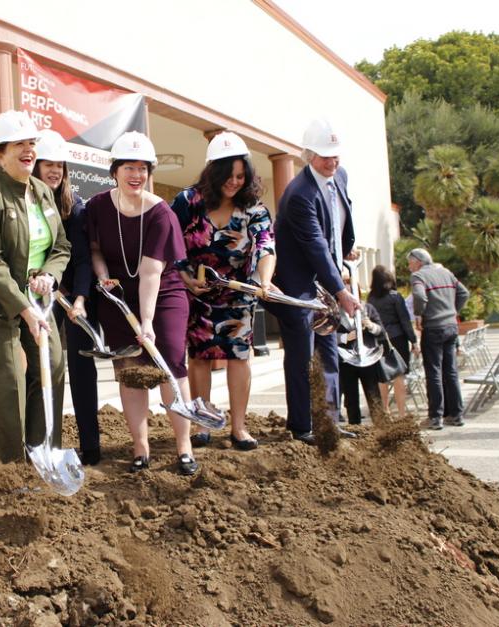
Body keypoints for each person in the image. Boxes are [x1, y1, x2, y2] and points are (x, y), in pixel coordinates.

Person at [0, 111, 71, 463]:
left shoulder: (42, 192)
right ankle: (13, 465)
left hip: (36, 296)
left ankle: (42, 451)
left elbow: (60, 247)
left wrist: (49, 276)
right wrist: (24, 311)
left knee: (52, 366)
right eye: (19, 144)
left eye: (31, 143)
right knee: (11, 380)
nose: (28, 150)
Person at [86, 131, 198, 475]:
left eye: (142, 168)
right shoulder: (97, 207)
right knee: (131, 372)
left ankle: (184, 447)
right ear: (115, 170)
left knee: (169, 366)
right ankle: (140, 447)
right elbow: (95, 250)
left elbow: (150, 272)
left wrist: (147, 323)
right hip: (117, 296)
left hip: (162, 297)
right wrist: (104, 276)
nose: (136, 175)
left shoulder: (161, 213)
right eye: (128, 167)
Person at [172, 131, 276, 451]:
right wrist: (187, 278)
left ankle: (239, 427)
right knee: (200, 358)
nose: (234, 183)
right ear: (213, 173)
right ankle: (202, 424)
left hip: (238, 294)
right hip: (198, 294)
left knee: (238, 357)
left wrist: (265, 280)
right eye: (228, 176)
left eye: (241, 177)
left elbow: (265, 246)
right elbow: (172, 243)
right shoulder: (188, 202)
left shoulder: (254, 210)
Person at [260, 119, 361, 445]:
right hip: (298, 283)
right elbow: (315, 245)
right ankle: (302, 425)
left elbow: (337, 225)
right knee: (303, 354)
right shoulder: (299, 194)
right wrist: (341, 290)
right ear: (307, 156)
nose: (332, 162)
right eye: (324, 157)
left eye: (335, 156)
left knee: (330, 353)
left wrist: (344, 253)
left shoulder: (339, 176)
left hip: (327, 278)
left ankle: (330, 420)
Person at [32, 129, 101, 465]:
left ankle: (91, 445)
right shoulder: (25, 205)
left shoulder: (76, 208)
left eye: (59, 164)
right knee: (44, 366)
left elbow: (83, 259)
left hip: (71, 295)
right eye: (48, 164)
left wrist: (81, 299)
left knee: (81, 364)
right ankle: (43, 442)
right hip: (37, 295)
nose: (55, 170)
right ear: (36, 166)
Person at [408, 248, 470, 430]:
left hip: (433, 327)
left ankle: (436, 417)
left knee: (434, 371)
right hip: (451, 326)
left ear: (418, 262)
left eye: (410, 263)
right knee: (450, 371)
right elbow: (464, 293)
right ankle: (456, 415)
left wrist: (419, 315)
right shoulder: (446, 273)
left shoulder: (419, 276)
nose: (409, 267)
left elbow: (419, 296)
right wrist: (453, 311)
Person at [368, 265, 418, 416]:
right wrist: (414, 341)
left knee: (382, 377)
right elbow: (405, 321)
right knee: (398, 376)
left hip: (379, 339)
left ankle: (385, 410)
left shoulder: (371, 298)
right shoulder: (395, 297)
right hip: (397, 338)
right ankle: (402, 413)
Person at [337, 268, 384, 424]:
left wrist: (370, 326)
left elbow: (381, 331)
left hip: (368, 357)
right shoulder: (335, 312)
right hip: (347, 360)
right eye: (343, 284)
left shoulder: (367, 308)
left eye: (349, 284)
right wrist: (345, 337)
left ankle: (380, 426)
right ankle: (355, 426)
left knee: (373, 394)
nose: (347, 287)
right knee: (351, 398)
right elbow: (328, 334)